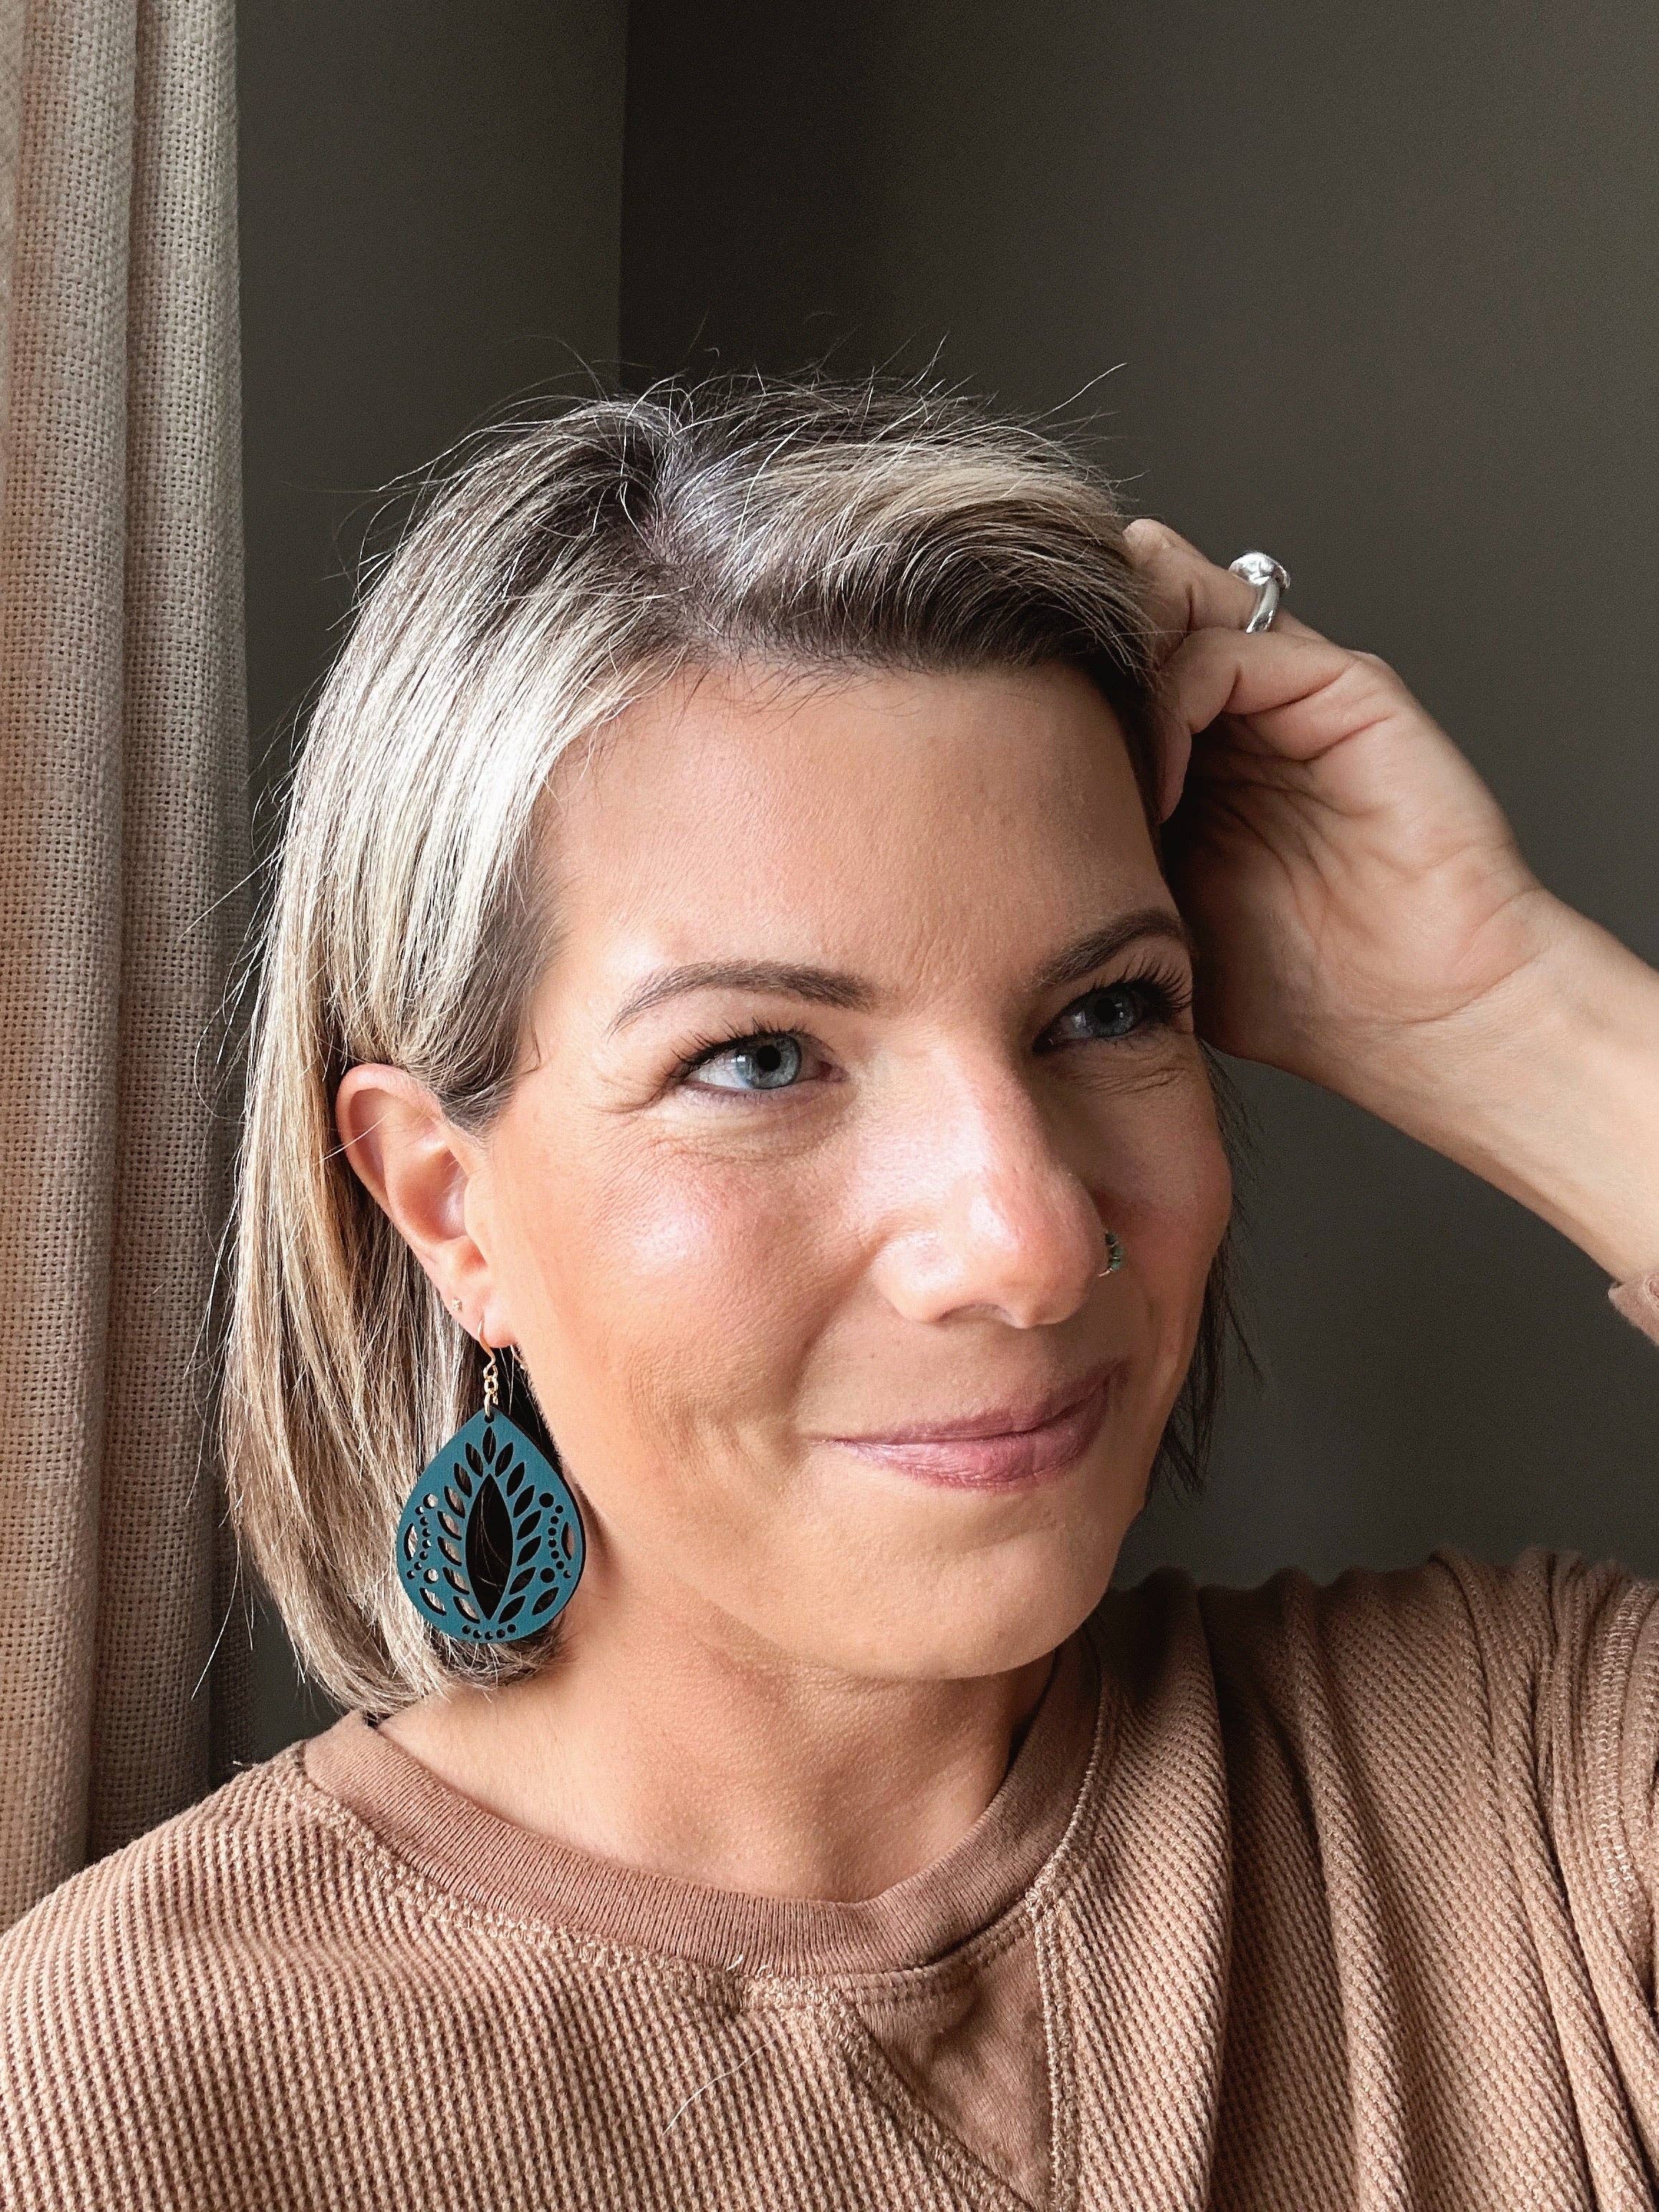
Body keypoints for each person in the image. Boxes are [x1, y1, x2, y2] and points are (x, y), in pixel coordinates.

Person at [2, 375, 1656, 2211]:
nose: (1028, 1238)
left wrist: (1509, 1015)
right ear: (447, 1207)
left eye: (1107, 1008)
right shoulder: (136, 2089)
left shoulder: (1534, 1790)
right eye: (761, 1056)